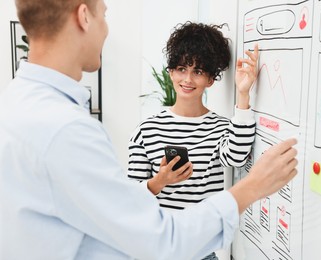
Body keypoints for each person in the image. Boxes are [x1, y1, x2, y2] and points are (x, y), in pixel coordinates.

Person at [0, 0, 298, 259]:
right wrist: (254, 185)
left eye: (199, 71)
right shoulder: (65, 130)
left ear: (211, 78)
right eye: (104, 15)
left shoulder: (20, 105)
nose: (106, 30)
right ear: (84, 17)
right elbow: (159, 241)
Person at [127, 22, 257, 260]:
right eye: (181, 68)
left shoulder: (219, 127)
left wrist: (243, 93)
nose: (187, 79)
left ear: (210, 79)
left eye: (198, 71)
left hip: (202, 252)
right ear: (171, 72)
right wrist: (159, 181)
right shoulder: (147, 129)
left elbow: (237, 155)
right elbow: (130, 199)